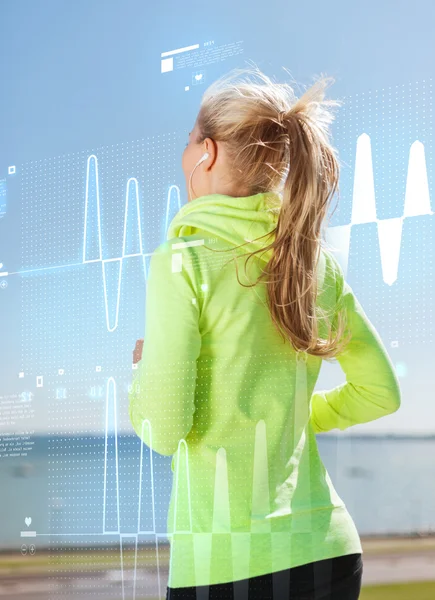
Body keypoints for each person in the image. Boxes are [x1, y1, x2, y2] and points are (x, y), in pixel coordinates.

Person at [129, 64, 401, 599]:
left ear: (205, 152)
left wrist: (143, 377)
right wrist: (292, 415)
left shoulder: (181, 261)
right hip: (329, 553)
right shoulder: (313, 264)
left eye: (189, 140)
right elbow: (380, 394)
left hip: (226, 568)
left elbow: (163, 430)